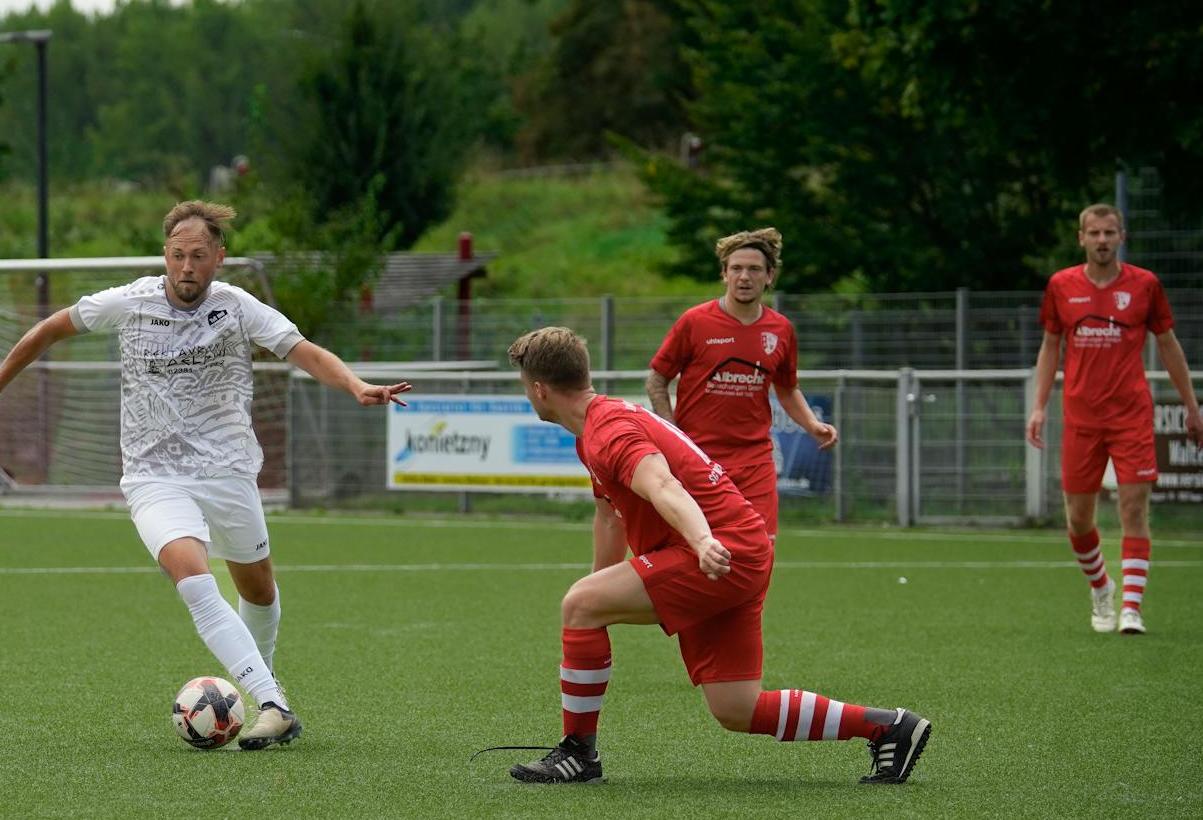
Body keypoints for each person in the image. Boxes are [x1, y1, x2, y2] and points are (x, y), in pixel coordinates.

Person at [0, 201, 410, 749]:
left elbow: (303, 351)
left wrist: (356, 385)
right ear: (165, 257)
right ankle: (273, 702)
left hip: (228, 471)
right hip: (153, 475)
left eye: (199, 255)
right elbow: (49, 330)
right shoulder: (130, 301)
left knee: (259, 591)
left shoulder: (237, 306)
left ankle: (255, 683)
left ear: (219, 258)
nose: (187, 266)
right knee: (195, 580)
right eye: (178, 255)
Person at [504, 326, 929, 785]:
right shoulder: (594, 429)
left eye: (525, 386)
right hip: (737, 550)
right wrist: (600, 595)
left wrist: (702, 541)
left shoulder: (609, 431)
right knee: (736, 708)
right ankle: (888, 727)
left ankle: (578, 755)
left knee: (579, 604)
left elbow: (663, 484)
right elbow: (610, 518)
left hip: (719, 552)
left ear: (540, 388)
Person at [1026, 203, 1202, 635]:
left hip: (1131, 415)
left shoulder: (1145, 286)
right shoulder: (1061, 286)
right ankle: (1102, 588)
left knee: (1133, 509)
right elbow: (1051, 346)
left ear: (1122, 236)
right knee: (1078, 520)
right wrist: (1039, 405)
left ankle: (1131, 609)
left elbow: (1168, 344)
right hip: (1081, 418)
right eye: (1094, 233)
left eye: (1109, 232)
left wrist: (1192, 406)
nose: (1102, 240)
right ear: (1081, 238)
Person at [646, 228, 835, 537]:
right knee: (700, 549)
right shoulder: (695, 322)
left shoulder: (781, 329)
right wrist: (673, 435)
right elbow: (656, 381)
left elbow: (786, 388)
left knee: (760, 548)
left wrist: (813, 425)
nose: (744, 277)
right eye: (736, 268)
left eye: (754, 269)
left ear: (770, 276)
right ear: (724, 274)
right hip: (699, 458)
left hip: (755, 460)